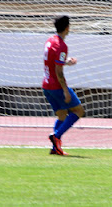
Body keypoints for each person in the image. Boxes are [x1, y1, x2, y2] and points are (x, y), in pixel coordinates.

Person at [42, 15, 85, 156]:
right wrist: (66, 90)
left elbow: (53, 62)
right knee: (78, 111)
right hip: (56, 86)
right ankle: (56, 136)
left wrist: (67, 62)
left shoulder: (50, 41)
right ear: (67, 28)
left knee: (61, 115)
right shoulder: (61, 46)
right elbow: (59, 72)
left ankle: (55, 148)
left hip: (46, 86)